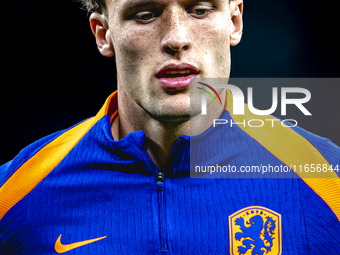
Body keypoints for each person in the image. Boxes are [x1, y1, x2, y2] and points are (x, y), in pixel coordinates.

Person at [1, 0, 339, 254]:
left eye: (200, 10)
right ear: (103, 34)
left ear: (234, 20)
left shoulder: (326, 181)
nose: (176, 38)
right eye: (146, 13)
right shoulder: (15, 195)